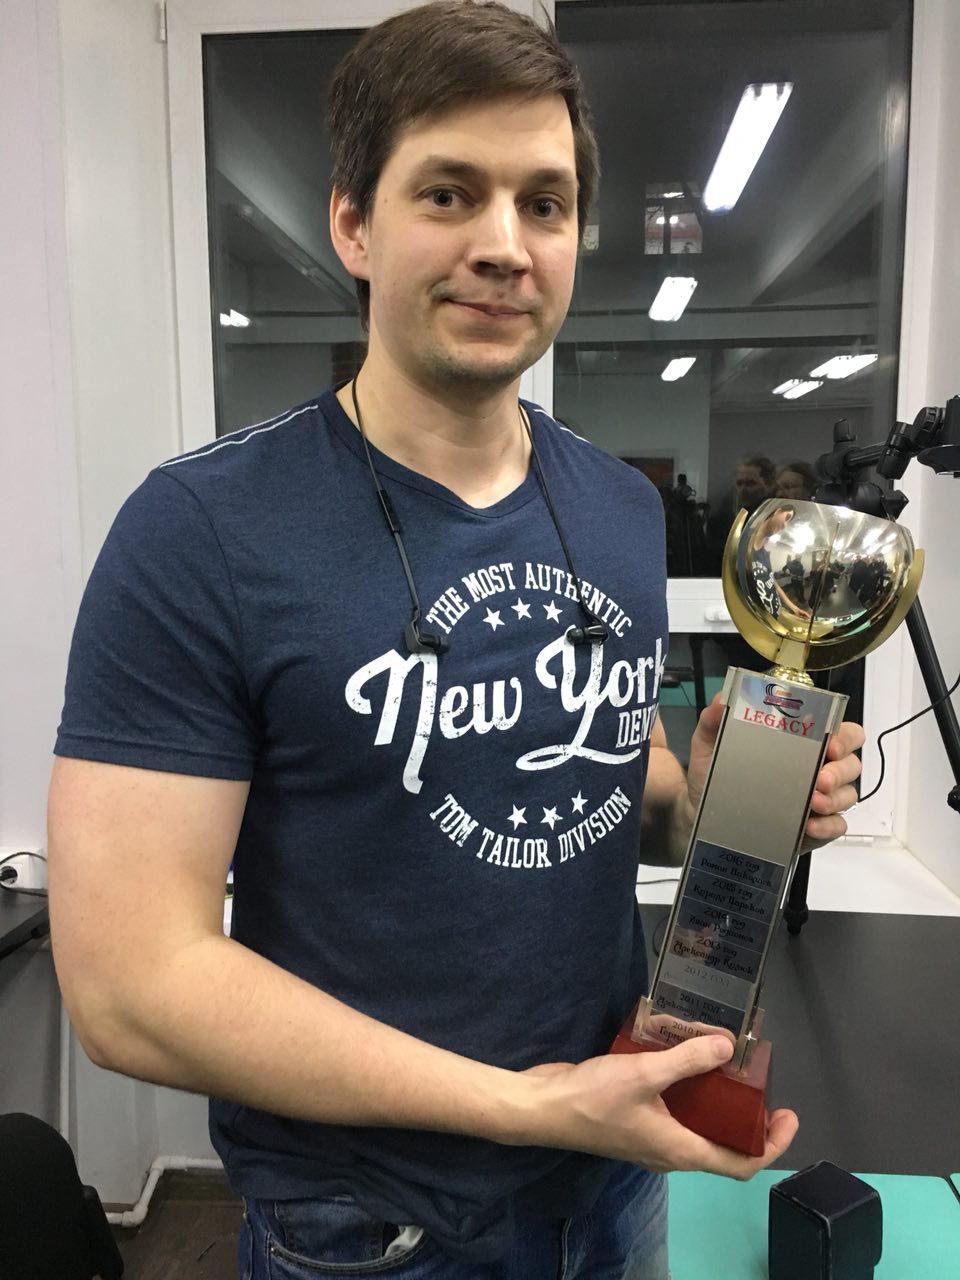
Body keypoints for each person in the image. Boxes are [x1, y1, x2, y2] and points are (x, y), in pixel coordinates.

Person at [45, 4, 864, 1278]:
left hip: (617, 1177)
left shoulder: (616, 506)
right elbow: (128, 987)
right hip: (374, 1228)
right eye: (449, 192)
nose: (503, 244)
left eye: (545, 202)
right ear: (353, 223)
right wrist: (527, 1105)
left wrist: (710, 797)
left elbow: (614, 792)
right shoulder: (201, 529)